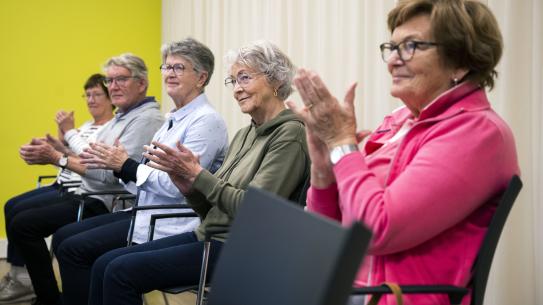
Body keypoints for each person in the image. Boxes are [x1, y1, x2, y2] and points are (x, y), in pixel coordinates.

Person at [287, 1, 520, 305]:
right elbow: (324, 233)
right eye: (392, 47)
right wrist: (322, 170)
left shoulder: (479, 133)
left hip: (389, 298)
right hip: (345, 290)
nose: (393, 61)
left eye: (411, 46)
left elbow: (374, 230)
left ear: (461, 62)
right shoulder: (397, 122)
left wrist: (343, 142)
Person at [87, 40, 310, 305]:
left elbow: (252, 211)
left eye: (245, 78)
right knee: (105, 264)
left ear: (275, 80)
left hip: (240, 249)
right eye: (233, 81)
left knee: (119, 272)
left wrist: (197, 175)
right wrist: (189, 187)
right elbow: (212, 209)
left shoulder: (290, 134)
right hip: (209, 236)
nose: (237, 89)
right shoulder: (244, 133)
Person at [51, 38, 229, 305]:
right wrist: (123, 168)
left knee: (90, 258)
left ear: (201, 77)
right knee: (83, 254)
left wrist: (125, 166)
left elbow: (178, 186)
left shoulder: (206, 120)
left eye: (179, 67)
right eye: (166, 67)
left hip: (170, 222)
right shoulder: (172, 118)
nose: (169, 73)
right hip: (144, 214)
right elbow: (141, 180)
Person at [10, 53, 164, 305]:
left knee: (32, 227)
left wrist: (58, 158)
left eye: (120, 79)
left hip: (107, 200)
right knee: (26, 220)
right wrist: (59, 152)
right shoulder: (122, 117)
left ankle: (49, 298)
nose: (113, 86)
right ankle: (51, 296)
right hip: (92, 194)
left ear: (142, 83)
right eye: (110, 80)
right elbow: (92, 158)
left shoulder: (147, 119)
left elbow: (108, 173)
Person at [0, 73, 114, 304]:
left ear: (110, 97)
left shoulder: (111, 128)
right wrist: (58, 143)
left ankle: (37, 289)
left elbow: (91, 164)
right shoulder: (85, 126)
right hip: (67, 183)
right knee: (12, 206)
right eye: (87, 95)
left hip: (84, 191)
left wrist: (61, 149)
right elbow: (73, 155)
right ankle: (21, 277)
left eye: (97, 94)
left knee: (23, 221)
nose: (91, 100)